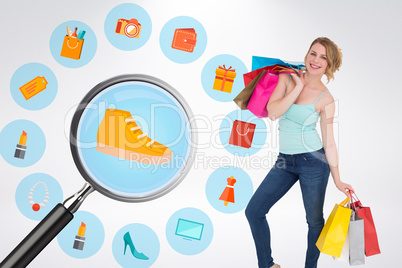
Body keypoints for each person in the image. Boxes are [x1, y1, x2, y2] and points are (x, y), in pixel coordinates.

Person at [245, 37, 354, 268]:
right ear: (307, 54)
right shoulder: (287, 76)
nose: (315, 60)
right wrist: (297, 88)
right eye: (313, 53)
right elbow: (274, 112)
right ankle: (267, 265)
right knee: (254, 211)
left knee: (314, 221)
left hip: (314, 162)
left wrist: (338, 179)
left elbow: (330, 142)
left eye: (323, 57)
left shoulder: (326, 99)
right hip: (285, 161)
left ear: (328, 65)